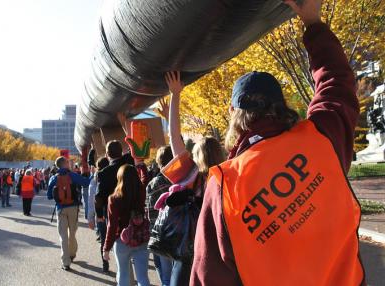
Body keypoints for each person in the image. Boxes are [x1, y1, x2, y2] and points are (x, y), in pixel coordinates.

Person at [190, 1, 364, 285]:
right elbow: (337, 83)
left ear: (233, 114)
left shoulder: (225, 185)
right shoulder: (320, 138)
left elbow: (208, 274)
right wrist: (312, 21)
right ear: (281, 106)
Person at [160, 71, 226, 286]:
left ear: (197, 156)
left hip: (190, 252)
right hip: (223, 255)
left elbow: (175, 139)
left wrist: (175, 95)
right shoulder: (230, 174)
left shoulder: (192, 175)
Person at [103, 164, 150, 286]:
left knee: (123, 274)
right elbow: (145, 180)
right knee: (142, 277)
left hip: (122, 241)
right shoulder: (141, 192)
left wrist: (106, 248)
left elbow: (111, 226)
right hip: (140, 238)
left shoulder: (114, 198)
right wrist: (142, 167)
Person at [47, 156, 92, 271]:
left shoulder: (53, 178)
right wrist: (92, 174)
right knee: (72, 232)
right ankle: (72, 254)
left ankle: (65, 262)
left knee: (63, 235)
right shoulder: (72, 175)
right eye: (68, 162)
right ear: (65, 164)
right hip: (73, 207)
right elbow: (86, 183)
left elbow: (49, 196)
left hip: (60, 208)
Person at [146, 146, 174, 286]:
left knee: (165, 272)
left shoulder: (155, 183)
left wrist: (152, 235)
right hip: (182, 230)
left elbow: (151, 213)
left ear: (159, 161)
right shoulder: (182, 177)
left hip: (162, 233)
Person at [87, 156, 110, 272]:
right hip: (113, 212)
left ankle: (105, 264)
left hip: (100, 215)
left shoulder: (94, 180)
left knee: (103, 239)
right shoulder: (115, 176)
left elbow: (91, 201)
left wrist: (90, 218)